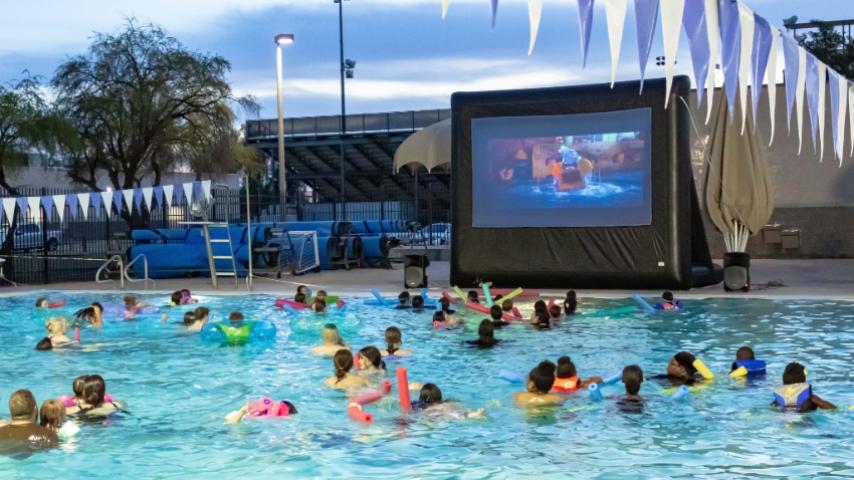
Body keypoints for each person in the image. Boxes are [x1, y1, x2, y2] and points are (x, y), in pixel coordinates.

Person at [410, 383, 485, 419]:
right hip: (449, 410)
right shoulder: (448, 402)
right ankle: (474, 414)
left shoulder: (421, 406)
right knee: (460, 415)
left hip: (434, 414)